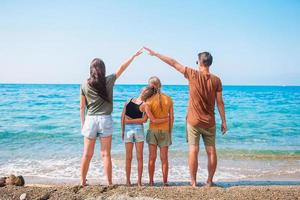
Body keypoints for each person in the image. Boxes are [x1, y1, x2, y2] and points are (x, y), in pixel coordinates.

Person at [144, 47, 227, 187]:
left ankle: (193, 182)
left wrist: (157, 54)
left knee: (193, 150)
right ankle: (209, 181)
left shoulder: (192, 74)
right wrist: (224, 121)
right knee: (211, 150)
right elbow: (220, 102)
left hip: (193, 121)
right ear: (209, 63)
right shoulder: (216, 80)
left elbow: (173, 63)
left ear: (200, 63)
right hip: (210, 122)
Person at [80, 48, 143, 187]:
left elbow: (82, 107)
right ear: (103, 69)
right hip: (105, 120)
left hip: (90, 120)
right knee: (106, 154)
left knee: (87, 154)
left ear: (91, 70)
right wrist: (133, 56)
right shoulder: (109, 80)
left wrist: (83, 124)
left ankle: (82, 182)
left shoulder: (84, 84)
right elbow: (121, 68)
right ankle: (109, 183)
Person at [121, 86, 169, 186]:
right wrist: (122, 130)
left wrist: (129, 121)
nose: (145, 91)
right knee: (128, 157)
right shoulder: (129, 100)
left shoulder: (146, 105)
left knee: (139, 157)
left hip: (138, 129)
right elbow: (122, 117)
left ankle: (139, 181)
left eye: (147, 91)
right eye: (144, 89)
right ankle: (128, 181)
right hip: (128, 130)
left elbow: (145, 120)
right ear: (141, 90)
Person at [145, 76, 174, 186]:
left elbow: (147, 118)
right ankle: (165, 182)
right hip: (165, 131)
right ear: (160, 85)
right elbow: (172, 118)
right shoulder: (168, 99)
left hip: (152, 131)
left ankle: (151, 182)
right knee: (164, 159)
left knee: (152, 158)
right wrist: (170, 132)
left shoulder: (148, 100)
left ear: (150, 87)